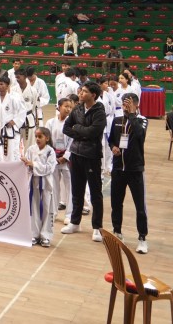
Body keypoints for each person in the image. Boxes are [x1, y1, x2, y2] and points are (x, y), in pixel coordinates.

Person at [61, 81, 107, 242]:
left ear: (93, 95)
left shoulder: (99, 112)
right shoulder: (78, 108)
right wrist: (82, 133)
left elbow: (93, 132)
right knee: (77, 190)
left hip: (91, 156)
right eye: (80, 91)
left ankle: (97, 227)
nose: (80, 94)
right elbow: (66, 128)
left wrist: (78, 129)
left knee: (95, 193)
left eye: (84, 91)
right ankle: (75, 222)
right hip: (76, 153)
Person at [108, 93, 149, 254]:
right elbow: (111, 139)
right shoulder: (117, 120)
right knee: (116, 203)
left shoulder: (142, 120)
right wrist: (113, 147)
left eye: (129, 104)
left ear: (136, 105)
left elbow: (140, 135)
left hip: (135, 169)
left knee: (140, 206)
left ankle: (142, 238)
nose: (125, 107)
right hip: (118, 168)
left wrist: (132, 114)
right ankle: (117, 231)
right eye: (124, 104)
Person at [23, 126, 57, 247]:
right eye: (36, 136)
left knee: (47, 209)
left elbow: (49, 168)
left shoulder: (50, 151)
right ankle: (34, 234)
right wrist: (25, 163)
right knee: (34, 208)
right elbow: (26, 165)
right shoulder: (31, 149)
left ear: (47, 138)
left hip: (46, 184)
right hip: (33, 183)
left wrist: (33, 164)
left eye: (40, 136)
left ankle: (46, 235)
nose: (37, 139)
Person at [45, 98, 74, 217]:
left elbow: (73, 141)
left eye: (70, 107)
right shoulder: (50, 122)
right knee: (54, 185)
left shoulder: (72, 123)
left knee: (70, 186)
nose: (68, 109)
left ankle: (69, 214)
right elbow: (47, 139)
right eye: (66, 106)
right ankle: (54, 211)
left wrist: (66, 156)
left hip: (67, 157)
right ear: (59, 106)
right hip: (54, 157)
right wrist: (53, 156)